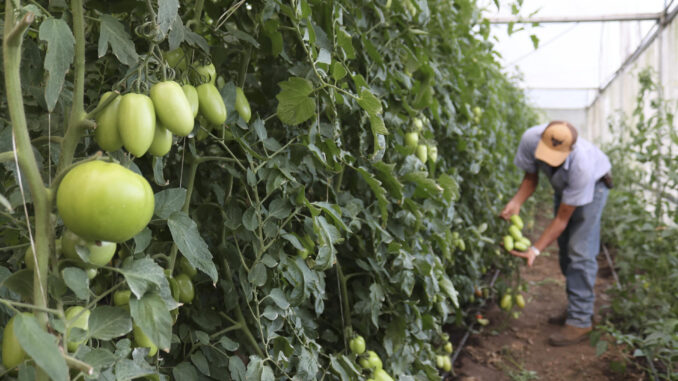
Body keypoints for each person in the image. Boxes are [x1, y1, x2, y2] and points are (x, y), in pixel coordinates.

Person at [500, 121, 612, 346]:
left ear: (569, 151)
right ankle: (577, 307)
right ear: (541, 138)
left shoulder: (582, 166)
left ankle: (580, 321)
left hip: (594, 186)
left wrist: (535, 249)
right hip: (565, 188)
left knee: (579, 250)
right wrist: (516, 202)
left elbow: (562, 219)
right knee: (564, 251)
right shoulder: (530, 139)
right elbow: (531, 178)